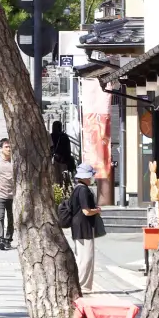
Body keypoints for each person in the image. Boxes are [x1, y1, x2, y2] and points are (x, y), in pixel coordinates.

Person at [64, 163, 103, 292]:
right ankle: (83, 285)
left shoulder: (77, 188)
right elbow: (86, 211)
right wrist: (97, 210)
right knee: (86, 257)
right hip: (84, 226)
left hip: (77, 226)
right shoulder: (83, 190)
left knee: (81, 256)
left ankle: (81, 284)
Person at [49, 120, 76, 184]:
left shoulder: (50, 136)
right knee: (63, 179)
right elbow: (68, 150)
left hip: (53, 160)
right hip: (63, 161)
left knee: (55, 179)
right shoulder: (64, 136)